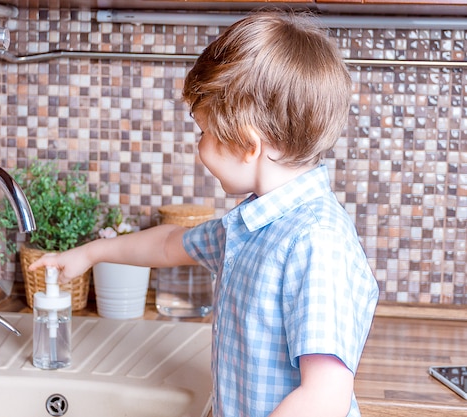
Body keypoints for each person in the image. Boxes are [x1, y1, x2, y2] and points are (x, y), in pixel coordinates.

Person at [29, 10, 379, 417]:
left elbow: (323, 400)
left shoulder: (316, 242)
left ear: (248, 145)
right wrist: (88, 254)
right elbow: (165, 244)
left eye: (204, 132)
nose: (200, 147)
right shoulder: (252, 229)